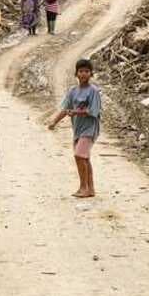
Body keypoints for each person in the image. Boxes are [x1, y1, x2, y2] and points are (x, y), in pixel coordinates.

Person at [48, 58, 103, 198]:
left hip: (90, 129)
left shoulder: (93, 91)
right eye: (81, 71)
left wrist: (76, 112)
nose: (83, 74)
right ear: (76, 74)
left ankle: (83, 187)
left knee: (79, 155)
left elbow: (94, 111)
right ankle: (90, 189)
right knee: (85, 158)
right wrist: (54, 121)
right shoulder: (73, 91)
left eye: (86, 71)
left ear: (91, 74)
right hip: (78, 129)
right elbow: (66, 109)